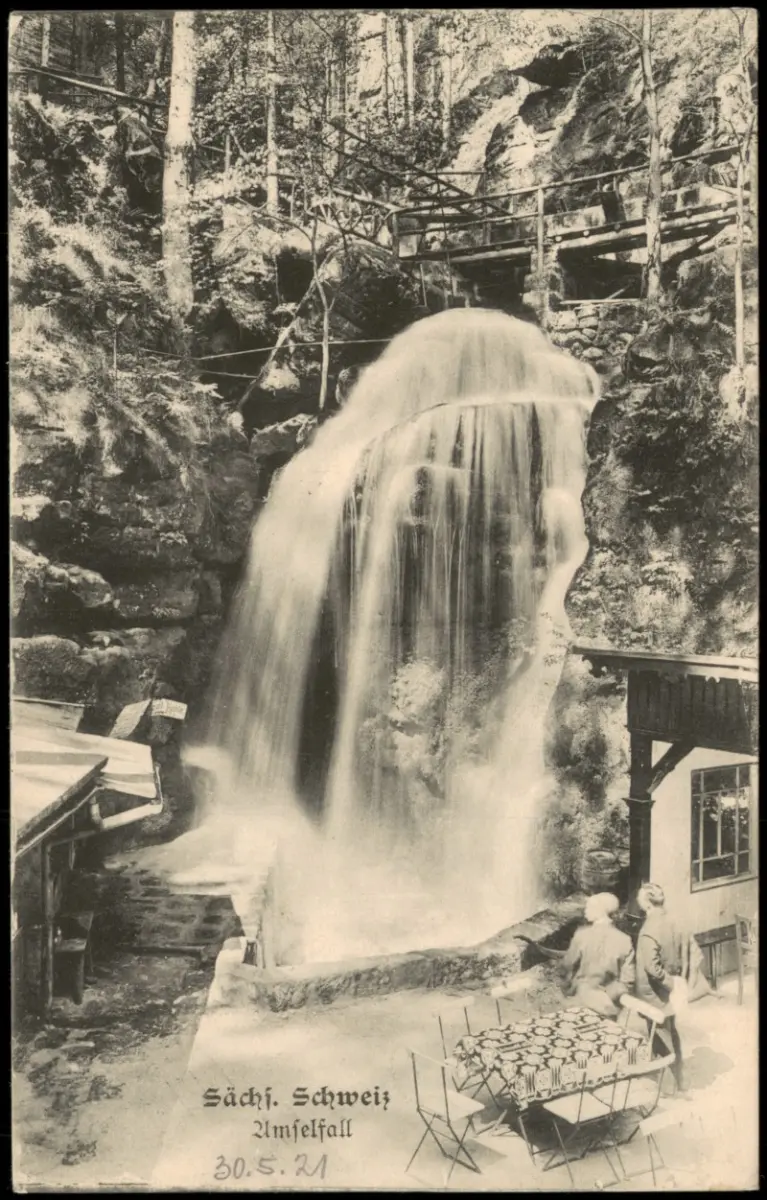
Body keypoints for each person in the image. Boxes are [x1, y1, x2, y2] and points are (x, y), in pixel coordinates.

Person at [635, 882, 686, 1091]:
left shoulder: (649, 930)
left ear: (647, 903)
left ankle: (670, 1086)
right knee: (671, 1032)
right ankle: (678, 1079)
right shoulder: (671, 921)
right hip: (669, 989)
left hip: (655, 993)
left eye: (640, 899)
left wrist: (670, 983)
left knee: (659, 1036)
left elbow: (652, 968)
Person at [561, 892, 636, 1017]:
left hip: (580, 1001)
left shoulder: (582, 935)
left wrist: (569, 991)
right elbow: (628, 981)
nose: (585, 911)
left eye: (589, 907)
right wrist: (607, 995)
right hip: (608, 1005)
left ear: (600, 911)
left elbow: (566, 968)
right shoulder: (625, 940)